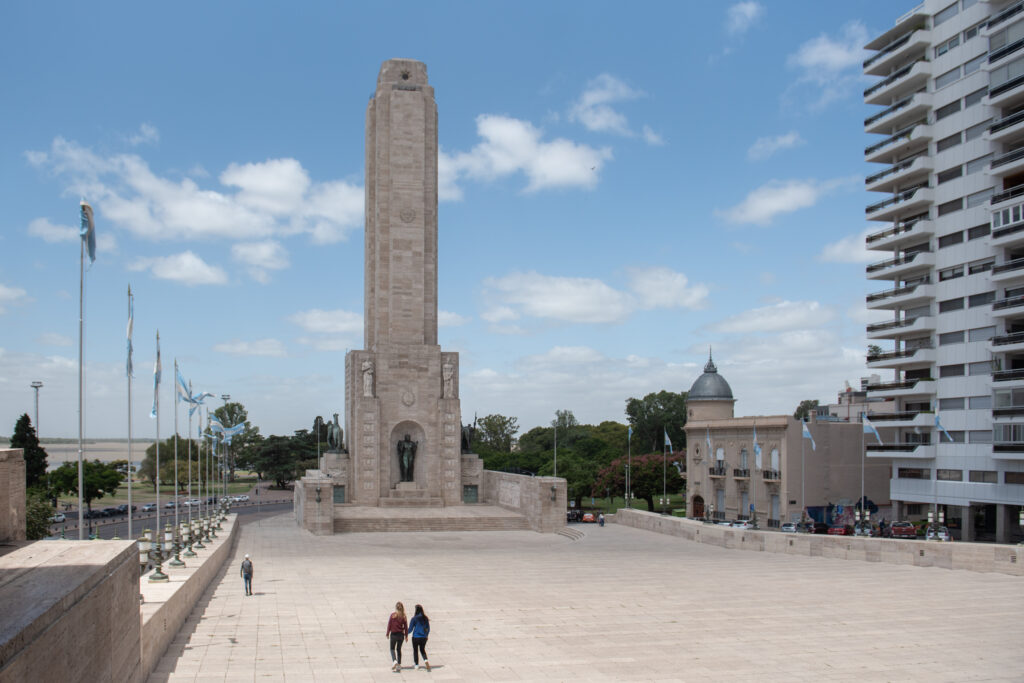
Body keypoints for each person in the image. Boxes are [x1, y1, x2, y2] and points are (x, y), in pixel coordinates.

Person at [386, 601, 408, 672]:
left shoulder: (393, 615)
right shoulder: (404, 616)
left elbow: (389, 625)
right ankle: (399, 664)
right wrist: (406, 636)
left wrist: (387, 633)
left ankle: (394, 661)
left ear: (396, 608)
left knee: (392, 649)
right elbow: (406, 627)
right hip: (401, 635)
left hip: (394, 635)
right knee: (398, 649)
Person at [409, 604, 431, 671]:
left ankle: (416, 665)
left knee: (415, 650)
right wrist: (426, 635)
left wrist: (405, 634)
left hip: (416, 637)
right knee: (422, 649)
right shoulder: (425, 618)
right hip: (423, 637)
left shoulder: (414, 618)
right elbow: (428, 628)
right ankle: (425, 660)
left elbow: (410, 629)